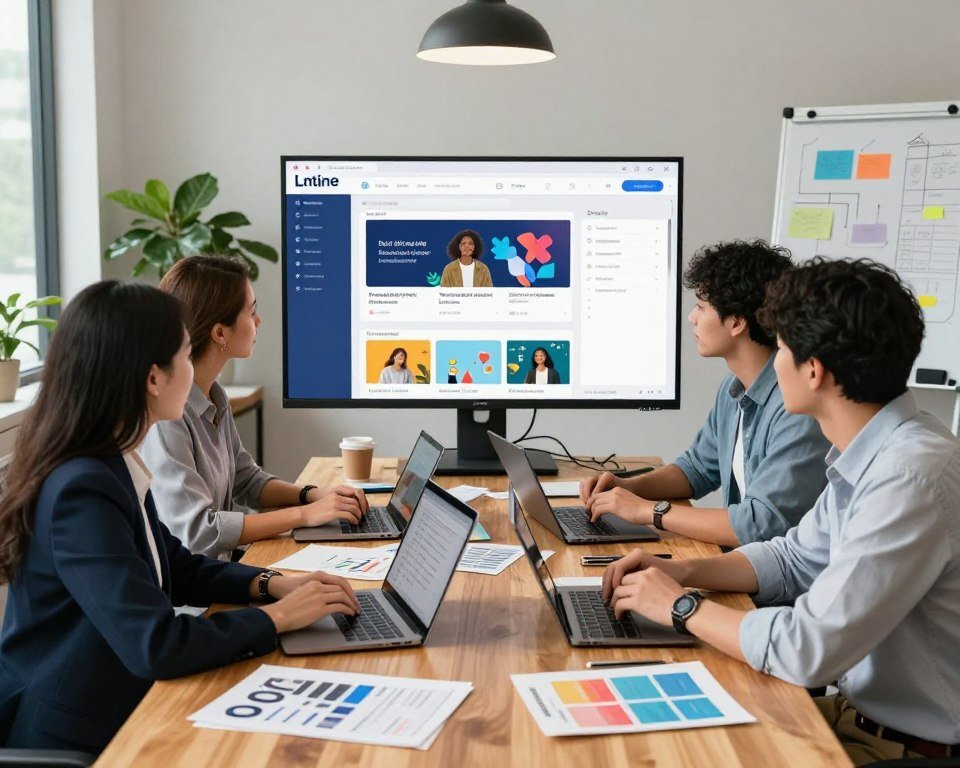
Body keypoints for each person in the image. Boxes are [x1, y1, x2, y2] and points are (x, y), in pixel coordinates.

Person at [603, 259, 960, 765]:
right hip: (857, 716)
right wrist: (679, 570)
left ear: (813, 370)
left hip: (905, 748)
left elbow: (807, 648)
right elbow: (793, 558)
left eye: (784, 348)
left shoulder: (908, 477)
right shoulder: (875, 452)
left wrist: (682, 607)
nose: (774, 362)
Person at [0, 281, 360, 754]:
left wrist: (271, 583)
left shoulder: (110, 462)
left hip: (126, 698)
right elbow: (156, 644)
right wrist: (277, 618)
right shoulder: (81, 489)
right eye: (187, 356)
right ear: (154, 378)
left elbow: (176, 565)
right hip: (83, 731)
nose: (193, 373)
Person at [580, 240, 830, 547]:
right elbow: (696, 469)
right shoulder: (733, 387)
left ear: (737, 322)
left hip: (780, 587)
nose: (692, 317)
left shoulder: (796, 407)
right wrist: (628, 487)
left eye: (701, 306)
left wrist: (648, 511)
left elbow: (759, 525)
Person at [141, 256, 368, 561]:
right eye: (252, 312)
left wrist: (315, 495)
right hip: (192, 596)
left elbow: (247, 480)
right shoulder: (166, 419)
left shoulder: (215, 395)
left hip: (220, 572)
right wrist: (305, 515)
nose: (259, 321)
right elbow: (199, 533)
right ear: (220, 333)